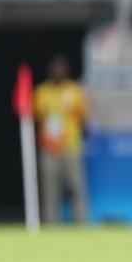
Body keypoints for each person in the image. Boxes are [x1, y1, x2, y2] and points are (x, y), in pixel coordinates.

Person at [34, 56, 89, 224]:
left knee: (76, 186)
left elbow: (83, 117)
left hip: (70, 146)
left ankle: (81, 224)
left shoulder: (75, 91)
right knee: (50, 189)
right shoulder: (41, 92)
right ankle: (51, 225)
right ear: (50, 71)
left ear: (66, 71)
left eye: (61, 68)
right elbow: (36, 118)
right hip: (49, 148)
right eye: (55, 68)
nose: (58, 72)